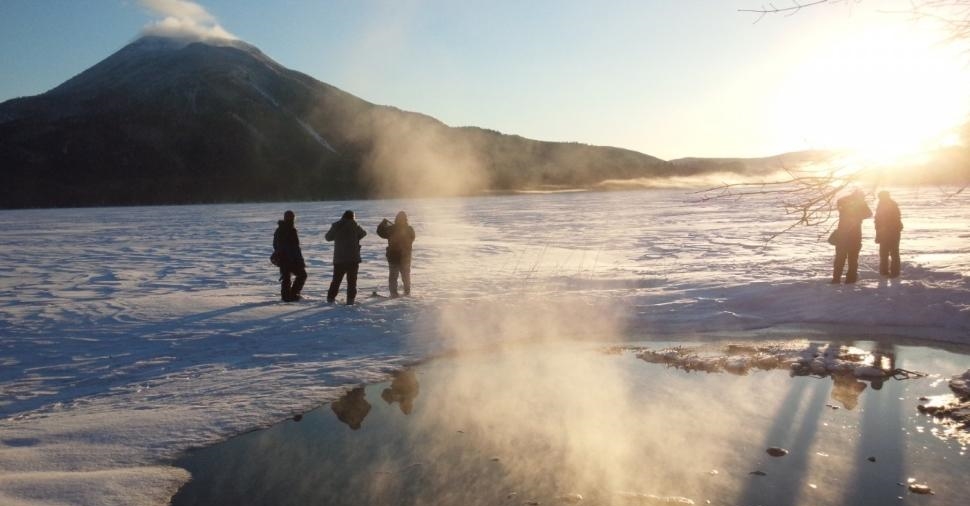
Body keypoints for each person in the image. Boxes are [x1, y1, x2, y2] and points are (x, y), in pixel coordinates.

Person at [325, 210, 366, 304]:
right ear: (353, 217)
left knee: (336, 280)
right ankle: (350, 300)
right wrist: (355, 238)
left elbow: (328, 238)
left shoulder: (336, 225)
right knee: (352, 282)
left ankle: (330, 299)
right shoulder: (355, 226)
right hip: (353, 259)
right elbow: (364, 233)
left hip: (339, 258)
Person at [832, 189, 873, 284]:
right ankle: (851, 279)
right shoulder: (861, 203)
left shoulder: (843, 200)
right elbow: (869, 213)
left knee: (840, 258)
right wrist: (858, 216)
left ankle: (836, 278)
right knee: (853, 258)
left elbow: (840, 205)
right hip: (855, 234)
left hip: (842, 233)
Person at [376, 211, 416, 297]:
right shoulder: (409, 229)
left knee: (393, 277)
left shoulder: (392, 229)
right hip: (405, 257)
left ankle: (393, 294)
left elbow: (380, 232)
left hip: (393, 257)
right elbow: (412, 238)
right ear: (406, 219)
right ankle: (407, 292)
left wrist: (383, 224)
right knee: (406, 276)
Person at [272, 210, 307, 302]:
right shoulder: (289, 230)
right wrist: (298, 260)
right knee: (301, 275)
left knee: (287, 278)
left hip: (284, 258)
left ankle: (288, 296)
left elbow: (275, 245)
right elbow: (294, 247)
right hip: (290, 259)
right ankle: (292, 295)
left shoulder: (281, 229)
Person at [874, 190, 903, 278]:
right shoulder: (888, 204)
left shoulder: (886, 205)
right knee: (887, 253)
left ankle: (891, 272)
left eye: (880, 196)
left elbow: (880, 220)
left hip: (889, 232)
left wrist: (880, 231)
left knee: (890, 252)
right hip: (888, 232)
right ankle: (886, 272)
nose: (879, 198)